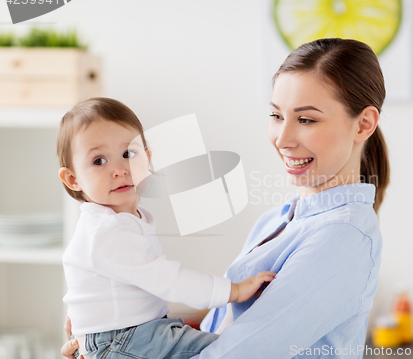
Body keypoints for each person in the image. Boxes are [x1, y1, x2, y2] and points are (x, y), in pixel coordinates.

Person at [62, 37, 390, 358]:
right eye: (276, 116)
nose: (283, 139)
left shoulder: (343, 237)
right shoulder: (277, 219)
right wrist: (108, 333)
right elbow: (218, 335)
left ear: (363, 124)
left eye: (306, 119)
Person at [56, 97, 276, 359]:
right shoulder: (107, 232)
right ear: (73, 179)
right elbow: (169, 281)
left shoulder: (123, 220)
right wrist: (234, 291)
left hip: (137, 332)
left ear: (147, 159)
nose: (120, 169)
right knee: (230, 351)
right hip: (121, 340)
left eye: (129, 153)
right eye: (99, 161)